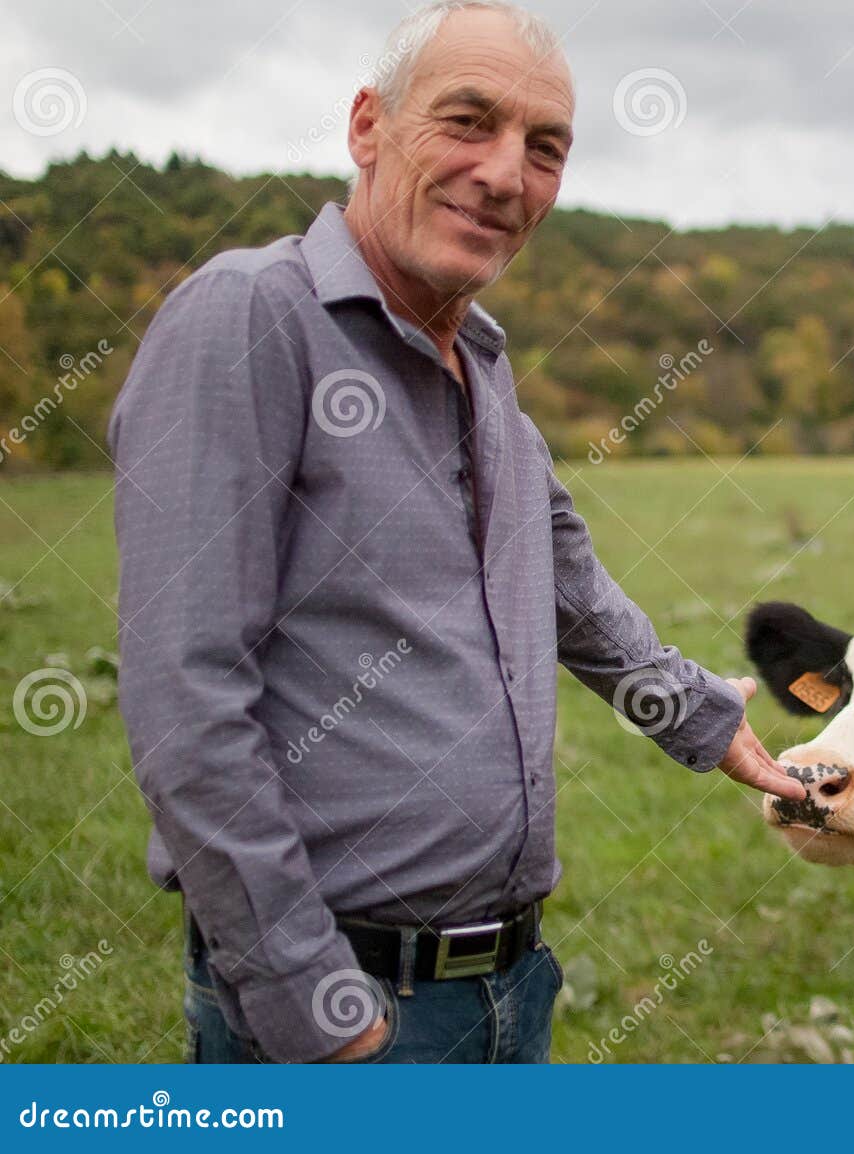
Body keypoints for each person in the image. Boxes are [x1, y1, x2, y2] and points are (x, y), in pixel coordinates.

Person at [108, 0, 804, 1064]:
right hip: (347, 1007)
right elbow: (183, 693)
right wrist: (311, 1001)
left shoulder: (477, 359)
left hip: (506, 988)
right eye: (468, 121)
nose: (505, 174)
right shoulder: (251, 317)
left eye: (544, 149)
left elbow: (563, 575)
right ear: (366, 126)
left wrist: (701, 716)